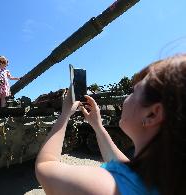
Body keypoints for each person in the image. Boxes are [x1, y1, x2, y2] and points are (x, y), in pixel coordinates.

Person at [35, 54, 186, 195]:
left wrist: (65, 114)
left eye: (134, 91)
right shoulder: (163, 178)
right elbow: (123, 165)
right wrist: (97, 126)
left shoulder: (107, 186)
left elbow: (45, 166)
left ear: (152, 114)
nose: (127, 97)